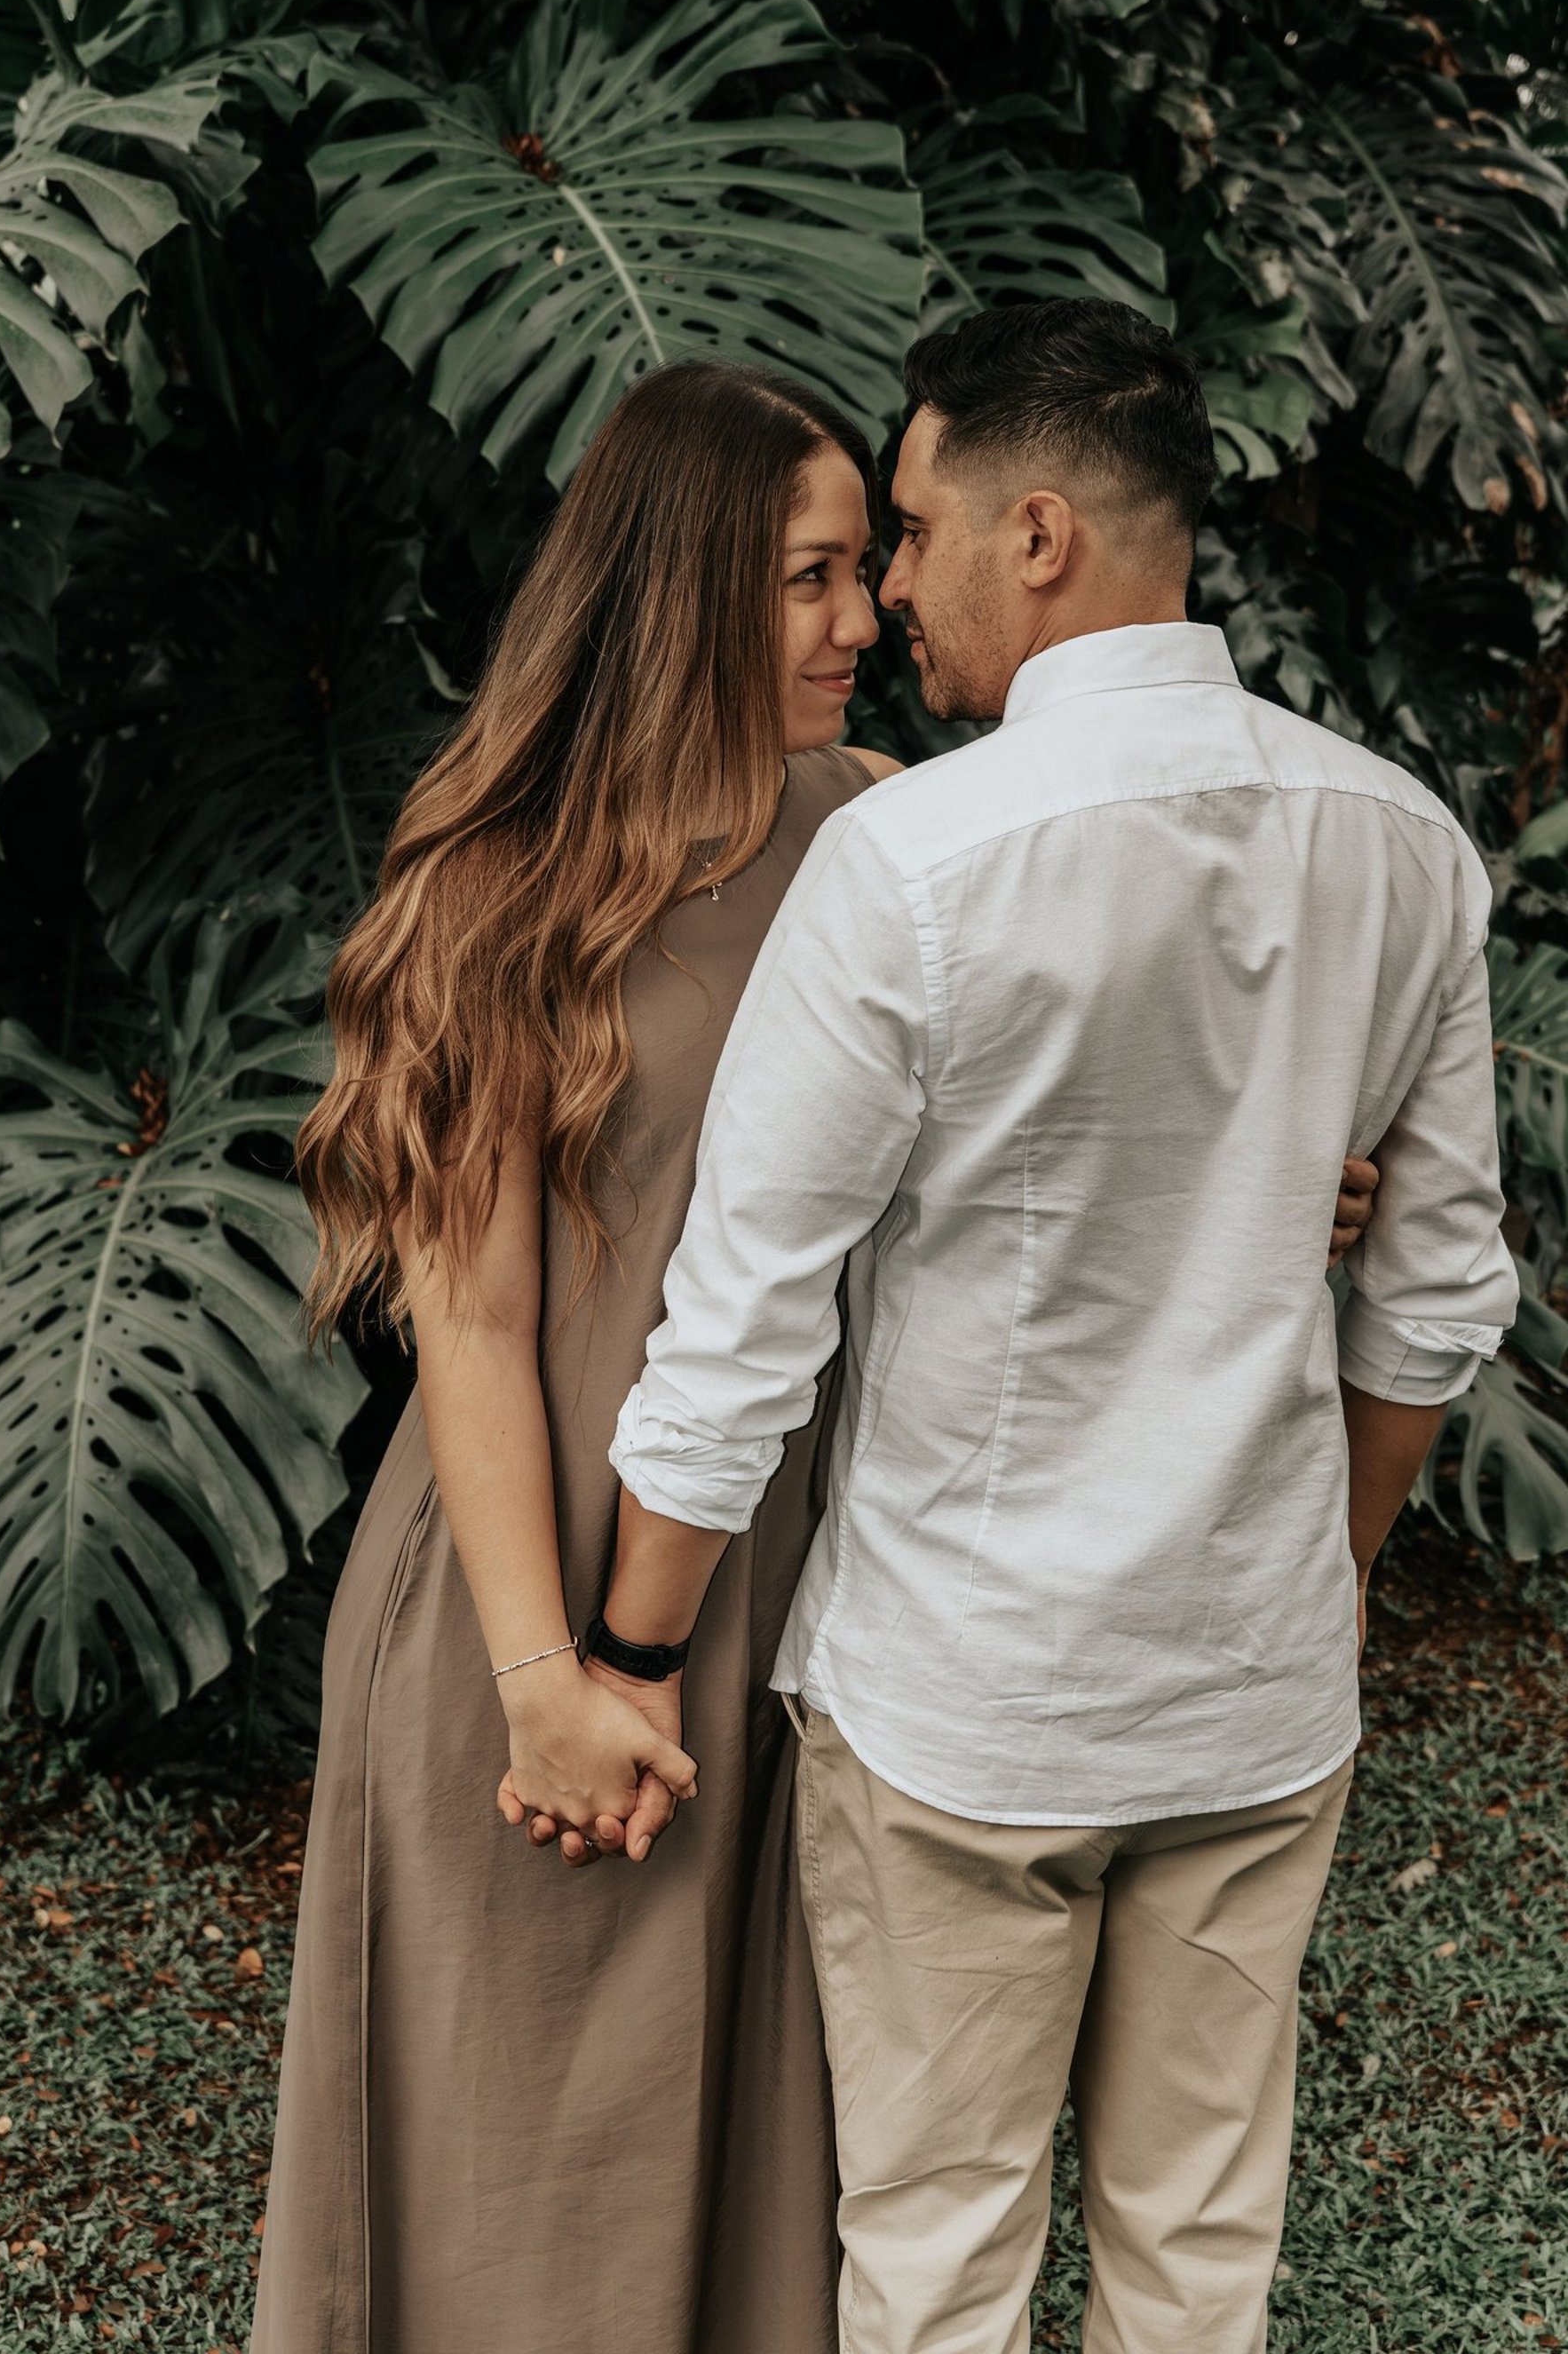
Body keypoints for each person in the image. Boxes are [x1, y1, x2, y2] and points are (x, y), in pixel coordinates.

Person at [249, 346, 1377, 2354]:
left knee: (779, 2142)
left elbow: (1077, 1117)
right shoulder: (494, 895)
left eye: (872, 569)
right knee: (529, 2145)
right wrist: (549, 1674)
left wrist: (1299, 1180)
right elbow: (474, 1319)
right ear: (674, 585)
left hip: (809, 1586)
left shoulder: (880, 827)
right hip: (547, 1575)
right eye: (810, 576)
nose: (870, 621)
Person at [586, 300, 1517, 2354]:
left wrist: (630, 1649)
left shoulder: (914, 861)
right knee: (1200, 2257)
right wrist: (1318, 1578)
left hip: (967, 1700)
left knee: (934, 2258)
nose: (888, 586)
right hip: (1255, 1693)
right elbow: (1435, 1293)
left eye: (907, 532)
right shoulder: (1402, 844)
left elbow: (748, 1317)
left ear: (1036, 533)